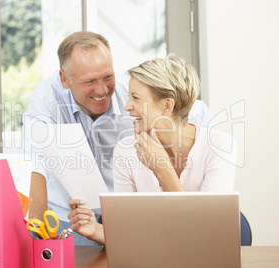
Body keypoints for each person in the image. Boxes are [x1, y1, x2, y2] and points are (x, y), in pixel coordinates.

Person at [22, 31, 214, 245]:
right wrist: (36, 239)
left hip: (124, 218)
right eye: (89, 81)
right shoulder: (47, 97)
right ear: (65, 79)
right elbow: (36, 165)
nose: (102, 89)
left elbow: (190, 110)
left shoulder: (134, 93)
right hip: (70, 218)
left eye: (108, 76)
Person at [68, 54, 237, 245]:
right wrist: (96, 230)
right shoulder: (126, 150)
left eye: (136, 98)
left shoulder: (220, 147)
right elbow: (130, 233)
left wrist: (162, 169)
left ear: (167, 105)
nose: (127, 106)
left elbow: (205, 235)